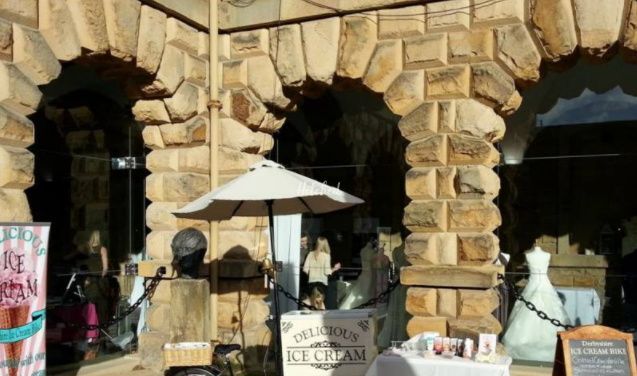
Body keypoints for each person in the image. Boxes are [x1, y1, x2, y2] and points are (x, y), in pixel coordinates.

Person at [502, 246, 571, 362]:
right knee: (528, 313)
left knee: (548, 314)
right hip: (534, 284)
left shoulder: (546, 254)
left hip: (543, 285)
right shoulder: (528, 254)